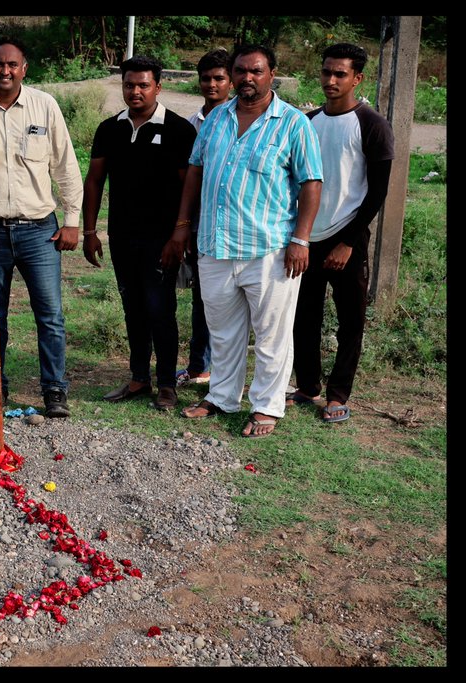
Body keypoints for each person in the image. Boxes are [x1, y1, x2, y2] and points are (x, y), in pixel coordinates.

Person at [165, 44, 323, 438]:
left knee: (271, 333)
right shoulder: (216, 118)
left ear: (272, 74)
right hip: (215, 246)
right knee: (223, 330)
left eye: (255, 71)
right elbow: (195, 173)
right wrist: (183, 225)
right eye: (240, 71)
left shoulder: (292, 123)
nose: (246, 78)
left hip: (269, 249)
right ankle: (221, 397)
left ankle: (267, 407)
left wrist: (301, 239)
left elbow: (311, 183)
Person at [0, 36, 83, 418]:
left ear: (25, 69)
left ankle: (54, 389)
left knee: (50, 315)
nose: (5, 71)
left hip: (40, 230)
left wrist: (73, 221)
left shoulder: (45, 106)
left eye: (12, 64)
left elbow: (66, 167)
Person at [82, 56, 196, 412]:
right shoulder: (109, 129)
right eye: (129, 84)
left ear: (158, 87)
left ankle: (166, 384)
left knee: (160, 308)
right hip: (122, 236)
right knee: (133, 308)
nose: (135, 91)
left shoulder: (179, 130)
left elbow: (190, 188)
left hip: (163, 240)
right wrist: (90, 231)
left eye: (143, 85)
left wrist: (180, 235)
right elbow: (95, 180)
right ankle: (137, 377)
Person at [289, 43, 394, 423]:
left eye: (340, 74)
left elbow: (377, 191)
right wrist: (298, 236)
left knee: (351, 320)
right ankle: (307, 386)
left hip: (347, 239)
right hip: (307, 238)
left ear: (357, 78)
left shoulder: (372, 125)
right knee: (303, 316)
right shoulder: (309, 121)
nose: (331, 81)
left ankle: (337, 395)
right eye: (326, 73)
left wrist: (348, 241)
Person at [176, 47, 233, 387]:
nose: (212, 85)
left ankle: (218, 371)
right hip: (195, 222)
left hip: (227, 223)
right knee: (200, 298)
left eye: (219, 78)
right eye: (206, 78)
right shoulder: (189, 125)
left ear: (232, 81)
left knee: (223, 301)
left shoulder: (238, 119)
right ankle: (199, 366)